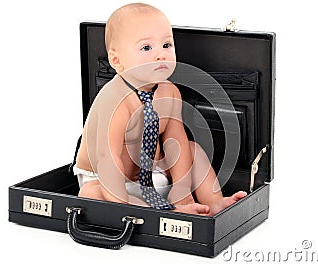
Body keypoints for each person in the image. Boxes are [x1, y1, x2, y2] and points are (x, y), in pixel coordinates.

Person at [73, 3, 246, 216]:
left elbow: (176, 142)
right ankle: (154, 213)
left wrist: (181, 190)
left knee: (192, 149)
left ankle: (214, 202)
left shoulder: (170, 92)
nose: (160, 55)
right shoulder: (115, 99)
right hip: (108, 181)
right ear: (117, 61)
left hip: (152, 176)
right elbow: (107, 158)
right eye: (147, 48)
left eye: (167, 45)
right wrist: (121, 205)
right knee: (91, 193)